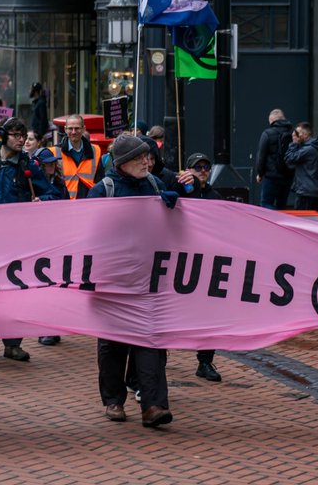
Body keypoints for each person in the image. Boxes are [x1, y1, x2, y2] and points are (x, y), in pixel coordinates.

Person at [86, 134, 179, 429]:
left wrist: (175, 206)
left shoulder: (155, 186)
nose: (146, 161)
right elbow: (87, 233)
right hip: (112, 279)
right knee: (113, 344)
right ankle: (113, 400)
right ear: (123, 162)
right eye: (139, 157)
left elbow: (176, 229)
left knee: (151, 339)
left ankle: (153, 405)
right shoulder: (105, 190)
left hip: (149, 279)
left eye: (147, 156)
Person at [0, 117, 45, 356]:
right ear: (3, 136)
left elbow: (53, 192)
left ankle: (13, 343)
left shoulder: (29, 165)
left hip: (17, 239)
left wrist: (42, 201)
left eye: (22, 135)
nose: (21, 139)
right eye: (15, 134)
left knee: (15, 290)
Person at [175, 152, 224, 382]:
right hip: (180, 261)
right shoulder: (177, 191)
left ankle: (205, 361)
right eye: (198, 167)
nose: (203, 170)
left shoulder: (215, 196)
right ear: (188, 170)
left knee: (210, 311)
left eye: (206, 166)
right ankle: (158, 354)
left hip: (207, 261)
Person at [53, 114, 103, 199]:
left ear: (84, 129)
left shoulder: (96, 150)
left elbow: (100, 180)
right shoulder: (55, 152)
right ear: (65, 129)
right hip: (64, 203)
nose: (73, 132)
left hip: (89, 201)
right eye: (70, 128)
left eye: (77, 128)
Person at [255, 109, 295, 209]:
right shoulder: (293, 133)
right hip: (288, 176)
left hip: (271, 176)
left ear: (272, 120)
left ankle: (269, 224)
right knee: (282, 205)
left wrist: (260, 173)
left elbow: (261, 156)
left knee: (266, 203)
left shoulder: (267, 133)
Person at [284, 122, 318, 211]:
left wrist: (294, 143)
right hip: (315, 190)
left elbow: (289, 158)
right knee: (314, 220)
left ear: (305, 135)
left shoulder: (308, 149)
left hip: (306, 192)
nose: (295, 135)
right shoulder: (316, 147)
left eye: (297, 133)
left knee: (302, 220)